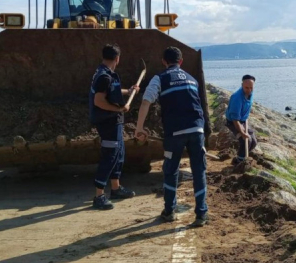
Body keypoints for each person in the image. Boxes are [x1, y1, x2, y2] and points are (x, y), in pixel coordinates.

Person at [135, 47, 209, 227]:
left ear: (163, 61)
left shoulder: (159, 78)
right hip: (197, 130)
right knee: (199, 171)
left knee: (171, 170)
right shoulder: (192, 79)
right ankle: (201, 214)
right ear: (181, 61)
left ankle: (169, 211)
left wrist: (139, 128)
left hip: (175, 132)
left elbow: (146, 101)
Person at [89, 43, 140, 210]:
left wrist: (129, 91)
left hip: (114, 122)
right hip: (108, 122)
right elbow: (99, 101)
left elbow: (112, 90)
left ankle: (116, 188)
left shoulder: (106, 74)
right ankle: (99, 196)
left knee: (119, 154)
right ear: (117, 58)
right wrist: (119, 109)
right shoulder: (104, 76)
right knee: (110, 156)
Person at [225, 75, 256, 163]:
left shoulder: (250, 93)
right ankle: (238, 162)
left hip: (243, 120)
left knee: (254, 142)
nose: (249, 90)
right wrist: (242, 133)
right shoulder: (237, 98)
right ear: (242, 85)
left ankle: (243, 158)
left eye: (251, 87)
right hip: (233, 122)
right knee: (246, 141)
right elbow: (235, 120)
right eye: (246, 88)